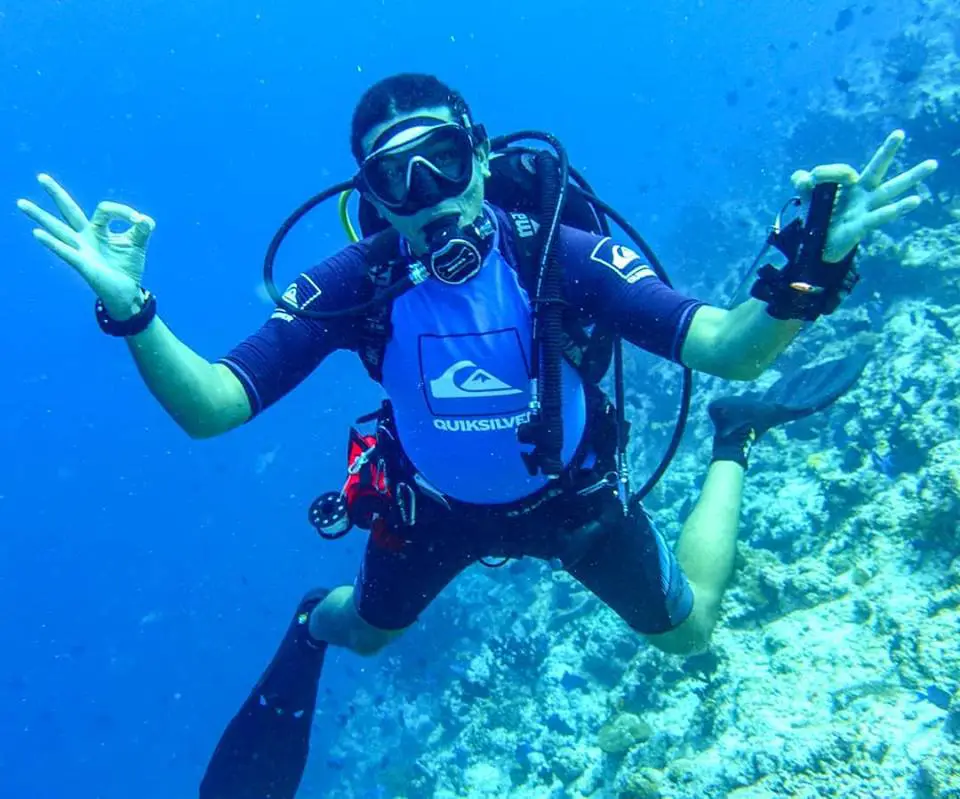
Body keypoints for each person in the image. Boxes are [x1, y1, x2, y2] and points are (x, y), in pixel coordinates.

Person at [17, 73, 937, 799]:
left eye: (442, 161)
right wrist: (132, 310)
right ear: (371, 194)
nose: (424, 196)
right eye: (393, 177)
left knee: (690, 635)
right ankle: (310, 619)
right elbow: (214, 406)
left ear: (482, 155)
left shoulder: (555, 252)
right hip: (433, 510)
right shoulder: (359, 278)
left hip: (573, 499)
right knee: (362, 632)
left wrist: (805, 278)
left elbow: (730, 347)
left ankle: (732, 444)